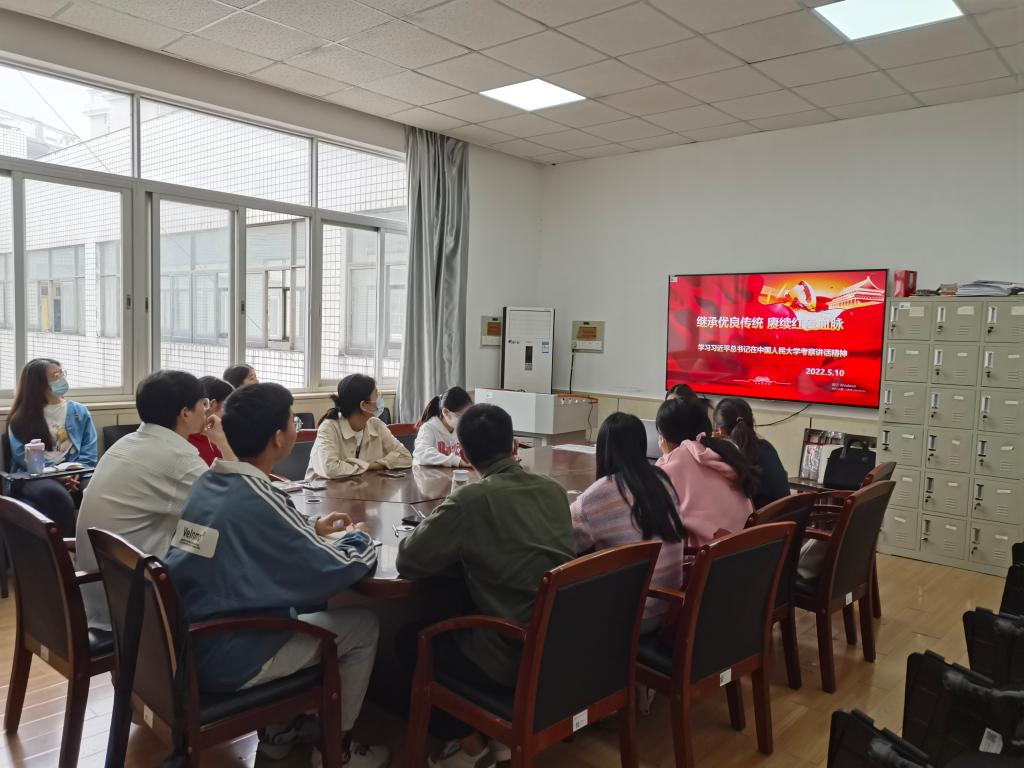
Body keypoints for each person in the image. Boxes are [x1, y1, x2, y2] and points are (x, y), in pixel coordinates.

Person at [164, 383, 387, 767]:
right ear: (278, 438)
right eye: (292, 421)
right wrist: (360, 538)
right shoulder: (259, 496)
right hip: (232, 653)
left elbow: (244, 537)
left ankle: (279, 733)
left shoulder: (210, 483)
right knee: (363, 625)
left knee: (308, 604)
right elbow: (338, 569)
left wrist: (310, 528)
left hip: (191, 640)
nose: (296, 428)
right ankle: (336, 749)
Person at [396, 404, 575, 768]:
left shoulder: (470, 500)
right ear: (515, 446)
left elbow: (409, 560)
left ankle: (470, 746)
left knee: (409, 640)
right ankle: (498, 736)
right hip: (558, 648)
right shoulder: (555, 491)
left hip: (509, 655)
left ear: (463, 454)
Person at [75, 370, 209, 629]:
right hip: (137, 606)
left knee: (206, 540)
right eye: (203, 403)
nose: (207, 410)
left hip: (101, 588)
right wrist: (224, 442)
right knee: (223, 548)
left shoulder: (127, 443)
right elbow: (227, 507)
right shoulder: (178, 458)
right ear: (185, 413)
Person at [570, 412, 684, 634]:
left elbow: (566, 542)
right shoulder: (661, 480)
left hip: (629, 617)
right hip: (668, 607)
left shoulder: (599, 494)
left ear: (603, 450)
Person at [6, 358, 97, 536]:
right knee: (59, 497)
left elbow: (89, 451)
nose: (62, 379)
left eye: (62, 373)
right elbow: (22, 456)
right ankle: (63, 550)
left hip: (77, 472)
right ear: (39, 385)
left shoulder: (79, 411)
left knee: (96, 490)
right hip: (37, 476)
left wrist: (76, 472)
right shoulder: (21, 418)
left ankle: (92, 547)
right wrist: (58, 476)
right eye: (55, 376)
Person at [655, 396, 759, 547]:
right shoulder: (726, 449)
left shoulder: (671, 464)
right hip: (744, 548)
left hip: (710, 556)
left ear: (665, 437)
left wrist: (667, 457)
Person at [307, 374, 411, 479]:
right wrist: (378, 464)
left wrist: (371, 466)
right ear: (363, 405)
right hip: (322, 488)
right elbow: (330, 469)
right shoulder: (328, 427)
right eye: (376, 394)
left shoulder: (376, 425)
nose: (380, 399)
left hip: (361, 486)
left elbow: (405, 457)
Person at [713, 397, 790, 510]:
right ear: (752, 422)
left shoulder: (731, 458)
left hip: (760, 520)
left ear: (718, 431)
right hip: (785, 519)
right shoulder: (767, 447)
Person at [413, 386, 472, 467]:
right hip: (426, 473)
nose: (465, 420)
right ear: (446, 412)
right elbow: (421, 453)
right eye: (460, 416)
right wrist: (456, 461)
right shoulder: (428, 428)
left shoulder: (461, 428)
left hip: (450, 473)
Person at [187, 376, 236, 466]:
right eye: (228, 406)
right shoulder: (187, 442)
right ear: (212, 404)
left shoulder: (214, 434)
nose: (232, 413)